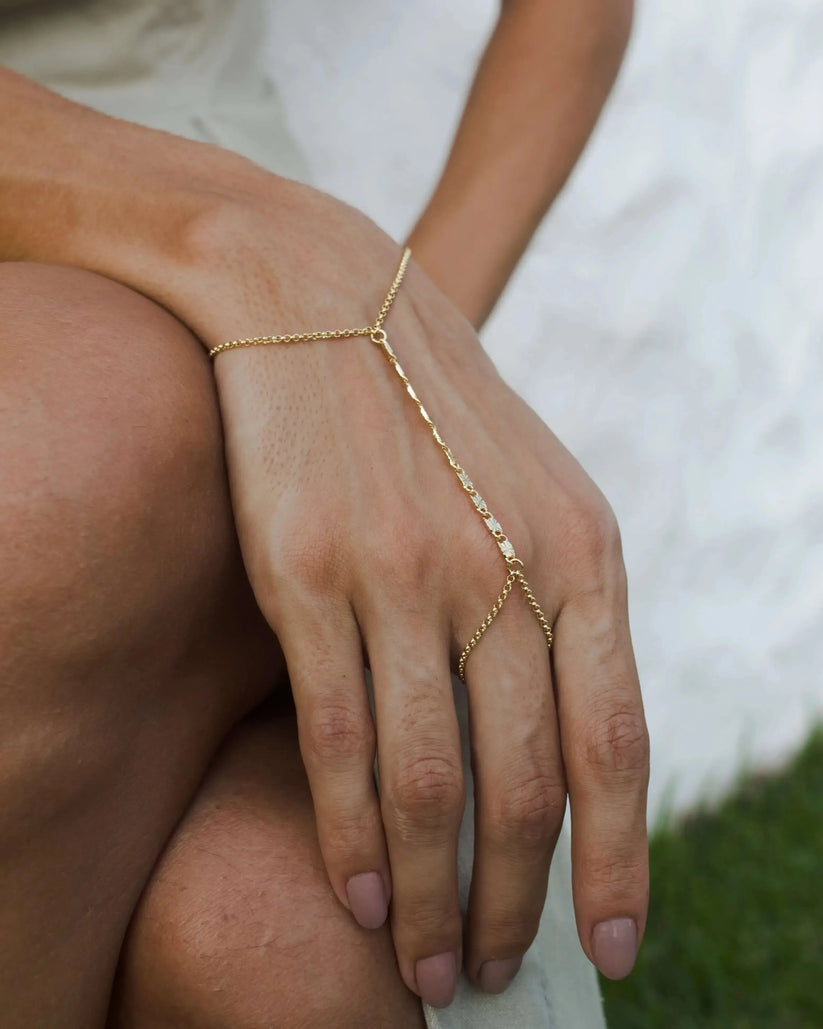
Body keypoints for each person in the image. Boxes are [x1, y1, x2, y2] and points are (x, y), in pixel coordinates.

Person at [0, 0, 649, 1026]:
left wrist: (401, 367)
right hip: (221, 251)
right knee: (52, 472)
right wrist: (241, 236)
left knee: (283, 944)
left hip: (250, 283)